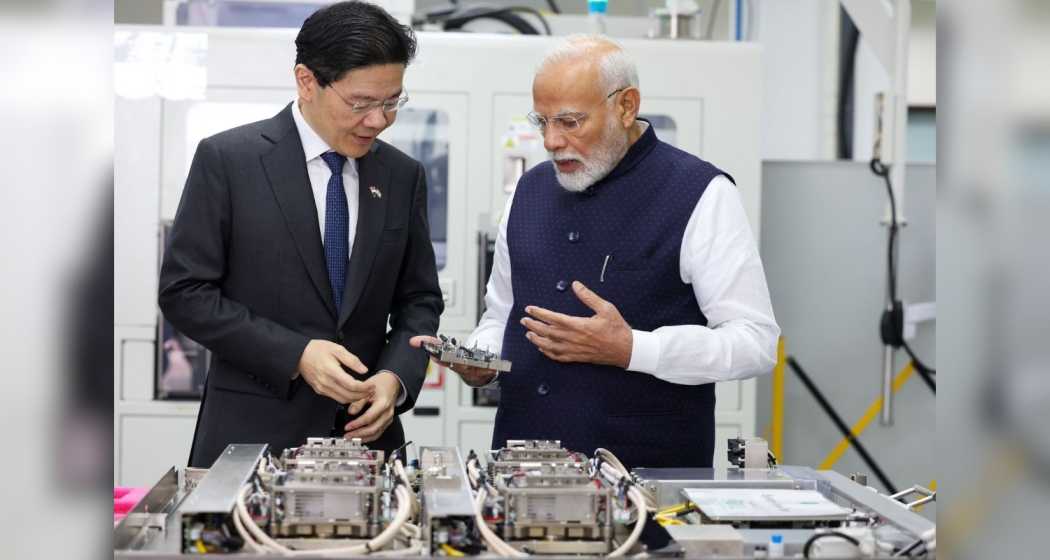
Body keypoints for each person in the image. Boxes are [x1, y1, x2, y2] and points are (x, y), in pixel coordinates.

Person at [413, 36, 779, 469]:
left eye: (570, 122)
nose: (551, 140)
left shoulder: (700, 194)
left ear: (626, 106)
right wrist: (482, 360)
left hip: (645, 478)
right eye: (543, 121)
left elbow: (755, 342)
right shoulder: (527, 193)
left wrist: (633, 349)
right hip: (521, 472)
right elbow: (501, 314)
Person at [160, 1, 443, 468]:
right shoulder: (230, 161)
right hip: (251, 439)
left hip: (364, 445)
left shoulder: (400, 175)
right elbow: (184, 293)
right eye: (361, 103)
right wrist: (296, 355)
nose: (378, 120)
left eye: (391, 102)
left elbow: (420, 301)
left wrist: (395, 378)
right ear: (306, 81)